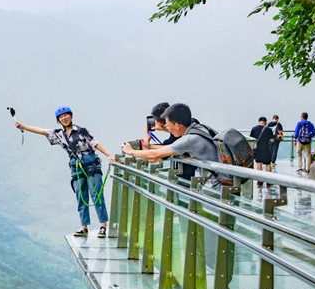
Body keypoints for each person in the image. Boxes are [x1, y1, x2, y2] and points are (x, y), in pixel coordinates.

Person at [14, 106, 115, 238]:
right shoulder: (59, 134)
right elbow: (42, 131)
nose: (64, 118)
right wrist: (23, 126)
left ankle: (103, 226)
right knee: (81, 196)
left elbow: (95, 143)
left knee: (97, 194)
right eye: (61, 117)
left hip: (90, 164)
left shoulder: (82, 131)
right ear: (58, 120)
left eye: (66, 116)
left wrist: (108, 155)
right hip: (76, 166)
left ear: (71, 116)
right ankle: (84, 226)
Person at [121, 103, 219, 184]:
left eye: (168, 125)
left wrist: (130, 151)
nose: (167, 128)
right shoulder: (201, 128)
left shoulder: (188, 140)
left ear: (176, 125)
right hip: (221, 179)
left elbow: (153, 156)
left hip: (215, 185)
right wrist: (163, 131)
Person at [139, 102, 196, 180]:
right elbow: (178, 133)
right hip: (192, 176)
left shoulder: (180, 137)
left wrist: (147, 141)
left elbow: (156, 157)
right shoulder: (192, 123)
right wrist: (165, 129)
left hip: (190, 179)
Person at [249, 116, 273, 186]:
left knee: (259, 163)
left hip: (257, 149)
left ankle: (260, 180)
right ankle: (269, 180)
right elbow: (271, 140)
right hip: (266, 148)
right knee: (268, 164)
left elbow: (251, 139)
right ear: (265, 122)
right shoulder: (268, 129)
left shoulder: (254, 129)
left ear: (259, 121)